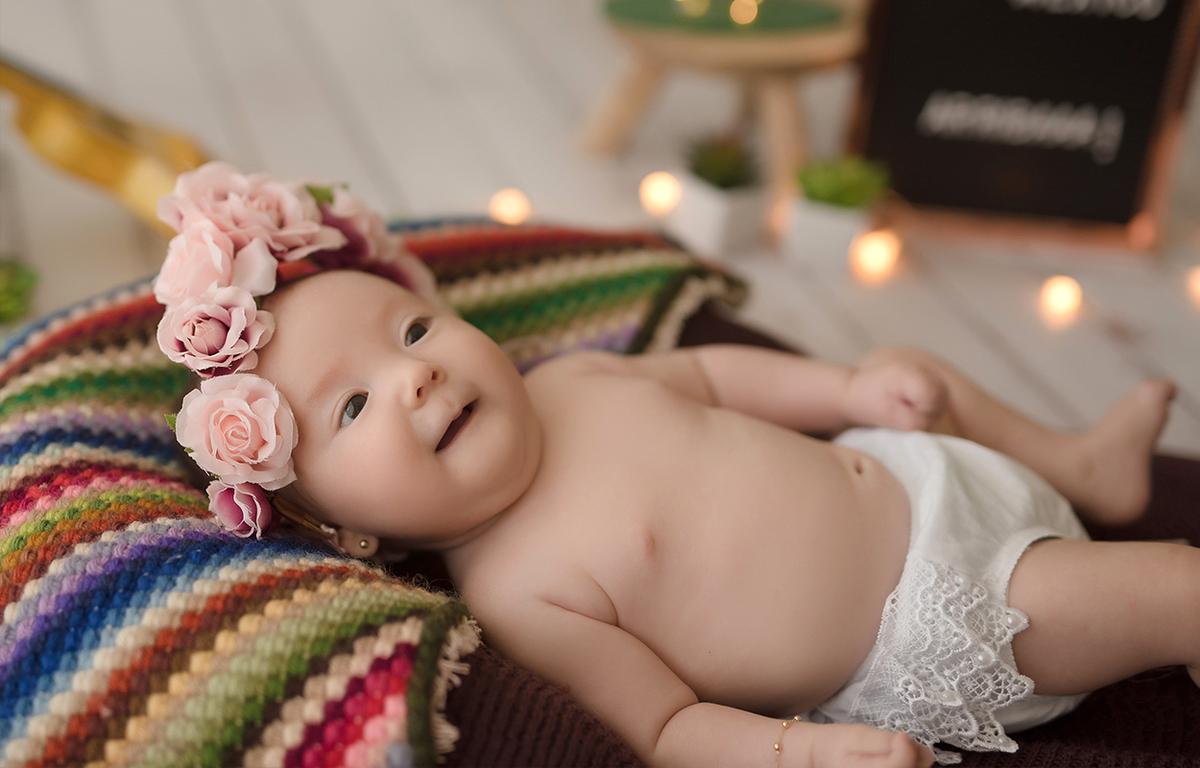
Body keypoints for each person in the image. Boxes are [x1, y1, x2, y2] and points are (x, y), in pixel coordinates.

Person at [155, 164, 1197, 768]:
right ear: (343, 532)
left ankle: (1081, 467)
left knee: (911, 368)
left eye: (416, 331)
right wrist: (796, 754)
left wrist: (847, 394)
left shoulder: (572, 383)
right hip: (945, 612)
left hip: (908, 470)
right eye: (353, 405)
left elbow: (709, 375)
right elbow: (665, 724)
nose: (414, 380)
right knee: (1176, 588)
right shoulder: (522, 591)